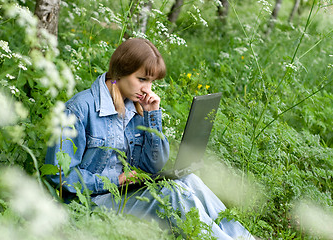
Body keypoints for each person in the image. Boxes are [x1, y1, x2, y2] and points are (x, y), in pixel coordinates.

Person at [45, 38, 255, 239]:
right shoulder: (80, 109)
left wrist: (152, 115)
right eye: (142, 79)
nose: (147, 89)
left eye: (151, 82)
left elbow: (153, 167)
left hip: (127, 194)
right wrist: (114, 180)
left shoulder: (135, 108)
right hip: (95, 201)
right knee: (174, 195)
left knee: (190, 181)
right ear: (120, 72)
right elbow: (60, 175)